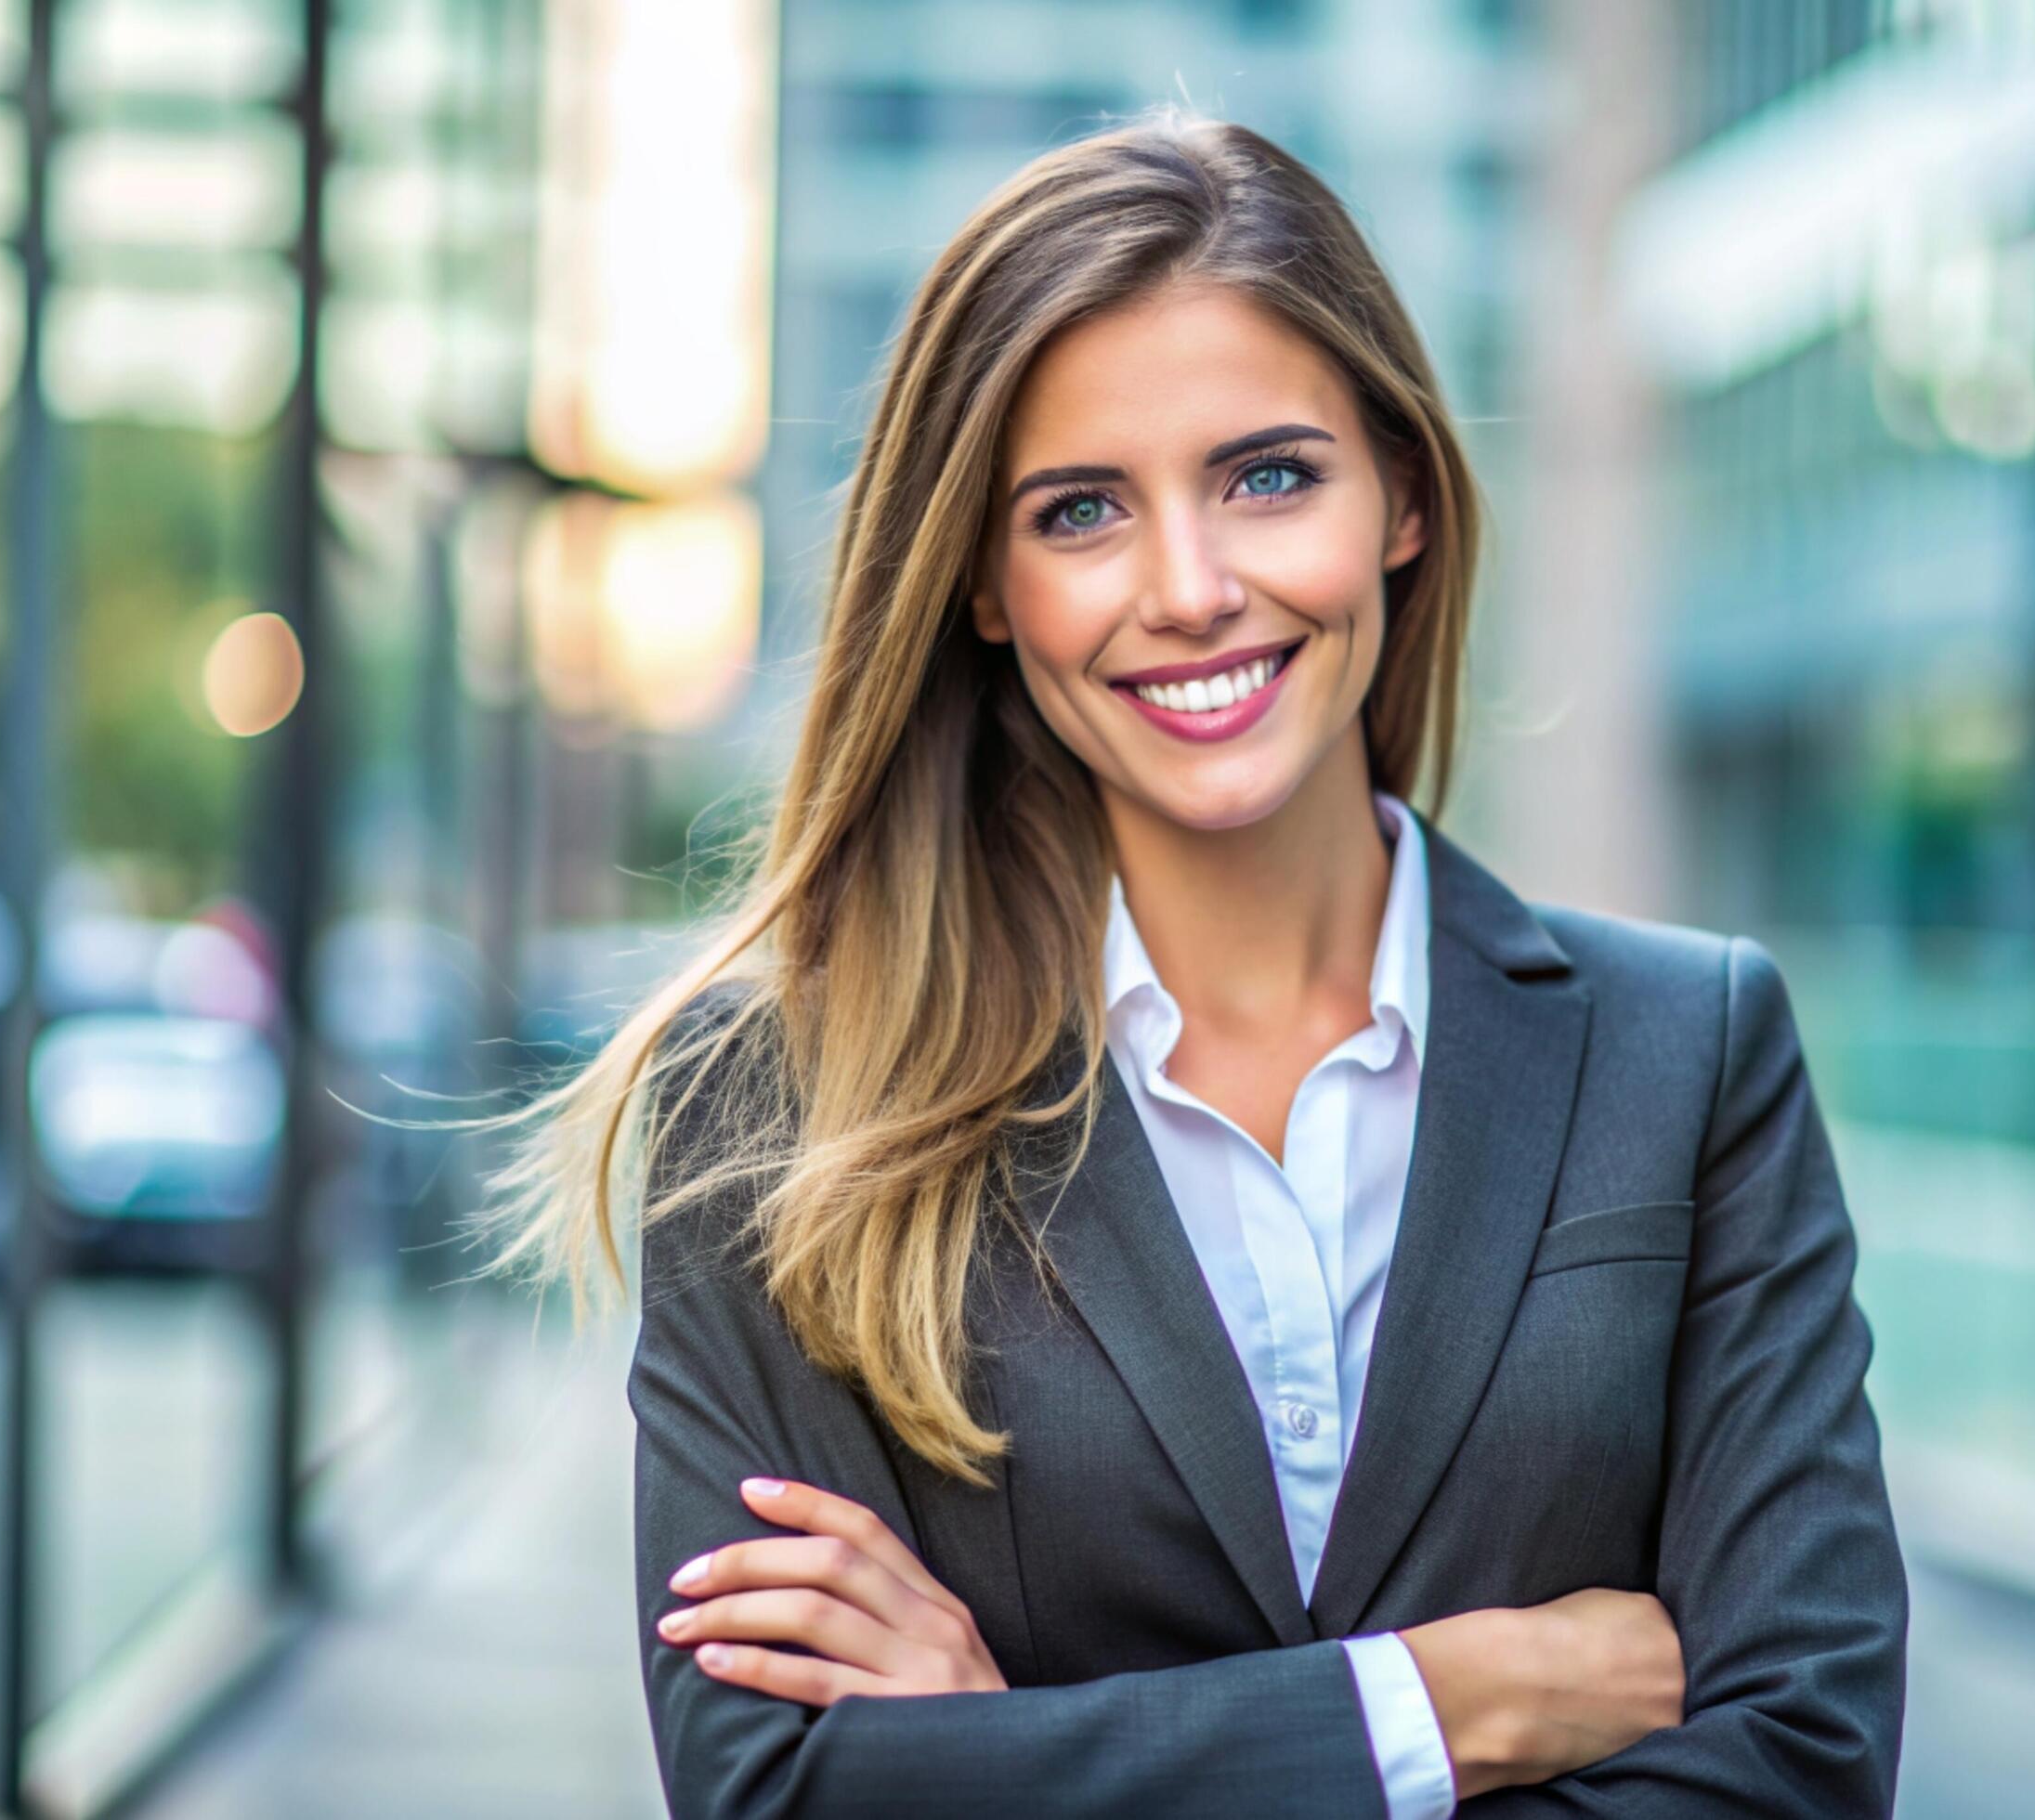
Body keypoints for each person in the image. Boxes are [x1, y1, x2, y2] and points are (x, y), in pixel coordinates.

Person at [483, 110, 1906, 1817]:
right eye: (1081, 511)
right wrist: (1432, 1712)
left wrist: (1002, 1761)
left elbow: (1805, 1770)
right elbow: (779, 1799)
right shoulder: (775, 1107)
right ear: (986, 586)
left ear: (1400, 497)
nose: (1190, 587)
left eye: (1269, 476)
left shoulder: (1693, 1054)